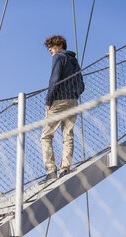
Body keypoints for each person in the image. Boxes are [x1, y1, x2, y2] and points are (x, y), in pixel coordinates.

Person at [40, 35, 84, 183]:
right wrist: (74, 93)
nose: (50, 50)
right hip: (72, 101)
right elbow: (82, 85)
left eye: (51, 46)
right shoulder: (74, 61)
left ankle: (51, 171)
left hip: (58, 101)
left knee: (46, 136)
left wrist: (49, 100)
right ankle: (65, 168)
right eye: (49, 48)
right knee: (68, 135)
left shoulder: (59, 57)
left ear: (60, 45)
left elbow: (54, 79)